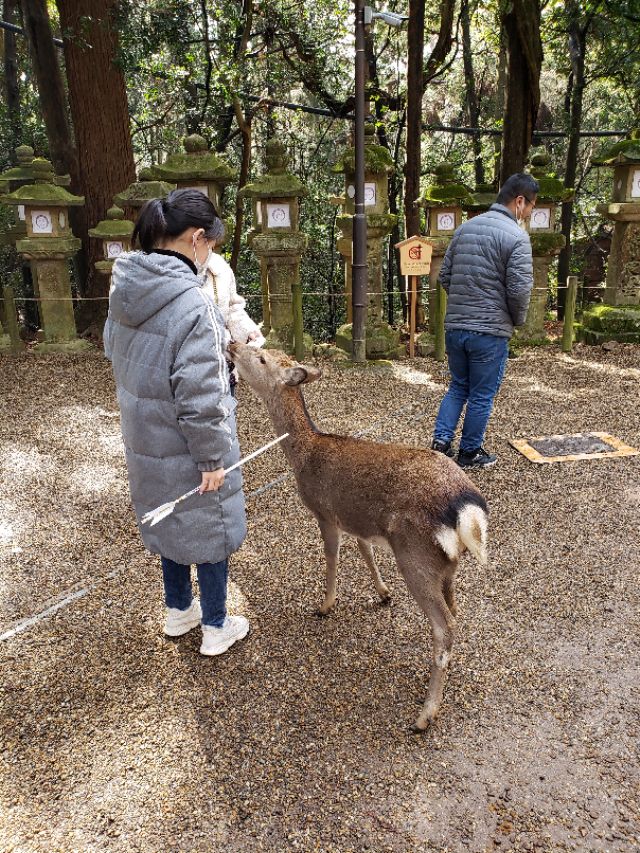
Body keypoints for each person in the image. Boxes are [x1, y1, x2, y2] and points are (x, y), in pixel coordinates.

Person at [104, 189, 249, 656]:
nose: (210, 255)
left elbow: (114, 352)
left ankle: (177, 610)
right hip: (189, 441)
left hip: (144, 433)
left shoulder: (124, 289)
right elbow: (202, 393)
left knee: (169, 516)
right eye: (210, 244)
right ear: (196, 239)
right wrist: (211, 456)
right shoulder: (193, 302)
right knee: (209, 523)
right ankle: (215, 624)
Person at [431, 173, 538, 468]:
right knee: (481, 394)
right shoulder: (517, 237)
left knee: (458, 386)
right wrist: (515, 320)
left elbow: (445, 276)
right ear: (519, 202)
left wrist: (464, 303)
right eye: (530, 207)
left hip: (455, 326)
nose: (529, 213)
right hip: (489, 332)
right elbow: (519, 289)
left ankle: (441, 443)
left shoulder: (464, 228)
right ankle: (469, 452)